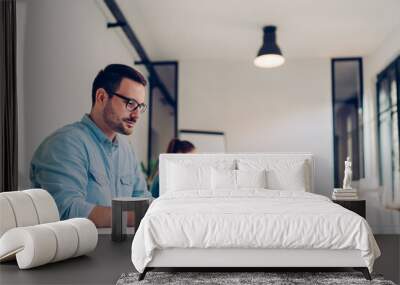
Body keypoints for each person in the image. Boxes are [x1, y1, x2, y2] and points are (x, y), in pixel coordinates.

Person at [30, 64, 150, 227]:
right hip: (79, 252)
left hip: (122, 250)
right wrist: (137, 217)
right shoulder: (65, 144)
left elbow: (142, 198)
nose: (136, 115)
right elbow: (66, 212)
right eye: (130, 103)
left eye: (140, 106)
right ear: (101, 97)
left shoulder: (126, 149)